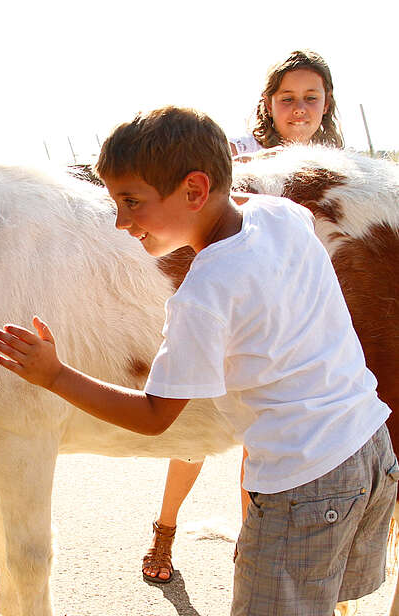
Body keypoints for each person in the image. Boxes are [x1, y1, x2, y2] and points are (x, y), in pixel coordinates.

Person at [0, 106, 396, 615]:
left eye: (131, 201)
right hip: (370, 452)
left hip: (304, 485)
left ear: (196, 190)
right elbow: (244, 197)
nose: (119, 222)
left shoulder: (203, 293)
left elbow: (155, 417)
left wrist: (55, 374)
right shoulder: (283, 216)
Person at [144, 48, 346, 585]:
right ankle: (164, 530)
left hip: (289, 312)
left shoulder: (336, 162)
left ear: (326, 105)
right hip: (227, 295)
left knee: (259, 437)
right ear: (269, 104)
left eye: (310, 98)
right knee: (195, 423)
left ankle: (250, 545)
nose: (298, 108)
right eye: (287, 98)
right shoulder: (240, 152)